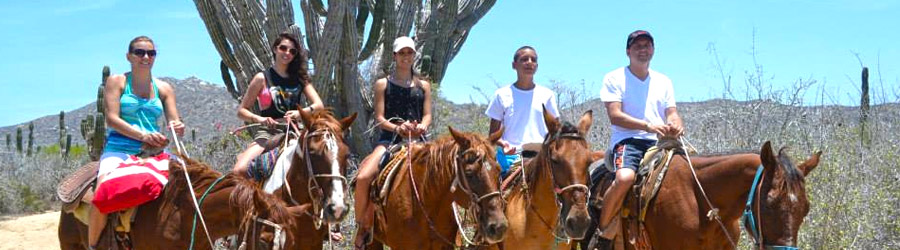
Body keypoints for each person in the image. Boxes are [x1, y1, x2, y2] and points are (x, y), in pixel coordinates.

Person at [88, 36, 186, 249]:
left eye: (151, 53)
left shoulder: (164, 88)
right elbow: (111, 118)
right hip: (120, 148)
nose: (145, 57)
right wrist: (142, 136)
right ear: (129, 56)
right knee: (102, 192)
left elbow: (174, 119)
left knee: (190, 182)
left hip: (154, 151)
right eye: (140, 52)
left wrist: (177, 126)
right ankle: (94, 245)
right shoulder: (117, 82)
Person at [593, 30, 683, 248]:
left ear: (653, 50)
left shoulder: (663, 81)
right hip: (628, 140)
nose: (643, 50)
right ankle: (603, 234)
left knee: (692, 173)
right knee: (624, 178)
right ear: (628, 51)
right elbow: (615, 115)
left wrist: (676, 124)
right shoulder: (614, 78)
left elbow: (671, 112)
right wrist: (647, 125)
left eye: (647, 46)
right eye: (638, 46)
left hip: (660, 142)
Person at [353, 36, 433, 249]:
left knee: (446, 173)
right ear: (395, 56)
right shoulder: (383, 84)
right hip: (390, 139)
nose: (406, 57)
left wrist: (423, 126)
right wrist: (397, 127)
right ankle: (363, 226)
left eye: (410, 53)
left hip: (420, 139)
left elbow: (427, 115)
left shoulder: (423, 85)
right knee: (363, 177)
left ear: (414, 55)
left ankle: (453, 228)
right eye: (402, 53)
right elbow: (379, 117)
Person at [232, 33, 324, 178]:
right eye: (283, 48)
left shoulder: (300, 79)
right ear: (275, 49)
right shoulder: (262, 78)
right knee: (239, 170)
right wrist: (261, 119)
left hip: (295, 131)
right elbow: (241, 111)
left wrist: (300, 113)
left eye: (292, 51)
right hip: (268, 133)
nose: (287, 53)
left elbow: (319, 105)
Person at [484, 46, 560, 176]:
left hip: (541, 158)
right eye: (524, 59)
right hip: (510, 159)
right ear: (514, 65)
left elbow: (556, 130)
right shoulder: (501, 95)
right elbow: (493, 134)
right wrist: (504, 145)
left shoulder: (547, 95)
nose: (529, 62)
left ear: (537, 66)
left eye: (533, 60)